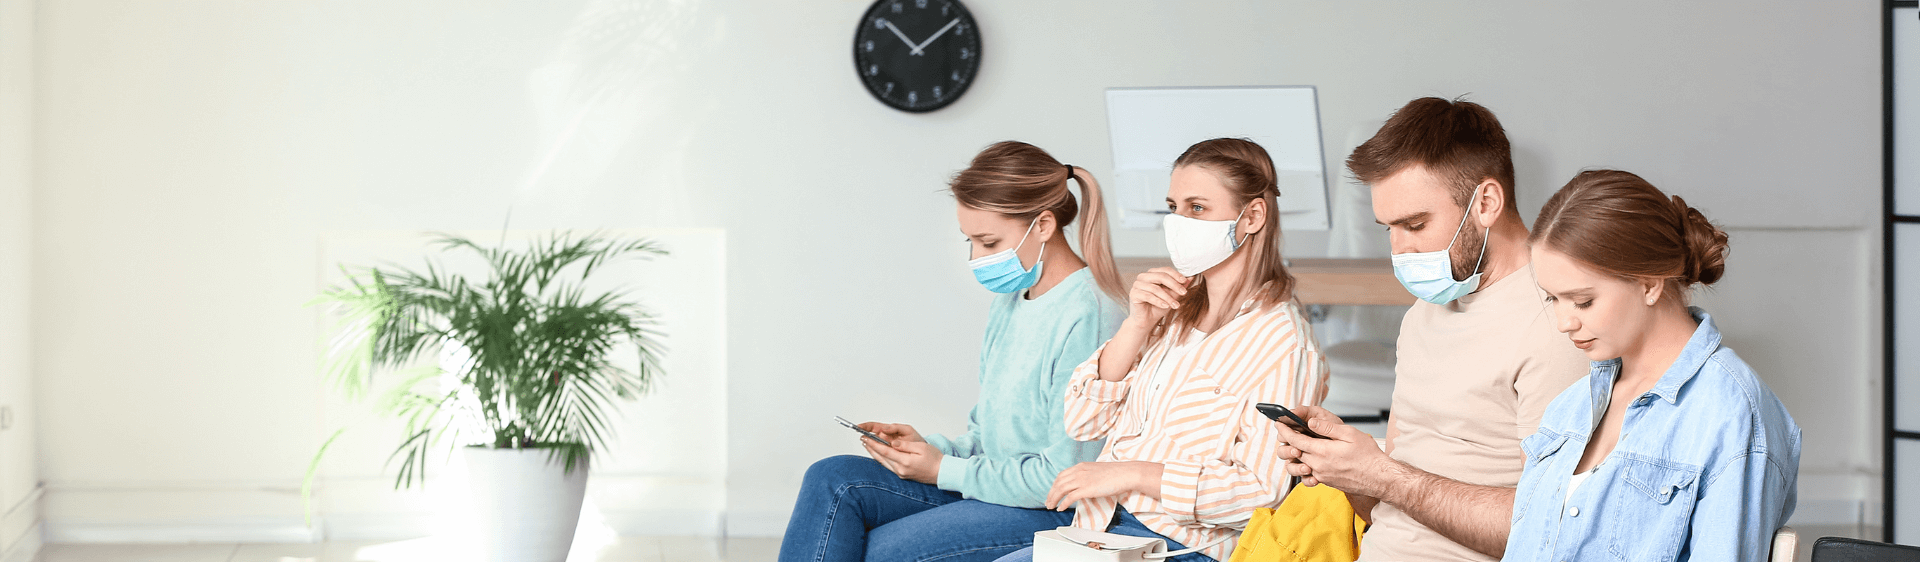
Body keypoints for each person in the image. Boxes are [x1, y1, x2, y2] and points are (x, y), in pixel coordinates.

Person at [777, 141, 1127, 562]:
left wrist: (943, 470)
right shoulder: (1013, 301)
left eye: (989, 242)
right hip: (995, 492)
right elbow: (989, 437)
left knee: (875, 551)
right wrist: (929, 451)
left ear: (1044, 225)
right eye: (971, 242)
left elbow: (1065, 478)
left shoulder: (1092, 314)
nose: (976, 258)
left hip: (1051, 512)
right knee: (832, 476)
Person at [1273, 97, 1590, 561]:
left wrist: (1382, 475)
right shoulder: (1424, 313)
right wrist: (1346, 468)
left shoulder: (1559, 323)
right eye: (1388, 229)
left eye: (1415, 224)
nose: (1399, 251)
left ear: (1486, 202)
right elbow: (1389, 511)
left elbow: (1547, 531)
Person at [992, 137, 1331, 562]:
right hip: (1101, 525)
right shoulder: (1173, 312)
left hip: (1183, 547)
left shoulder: (1285, 344)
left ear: (1253, 216)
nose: (1179, 222)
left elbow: (1261, 494)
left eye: (1198, 207)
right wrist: (1136, 326)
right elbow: (1082, 421)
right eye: (1174, 207)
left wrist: (1130, 473)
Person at [1501, 170, 1799, 561]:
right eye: (1553, 299)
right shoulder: (1570, 407)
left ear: (1649, 284)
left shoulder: (1730, 412)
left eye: (1583, 301)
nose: (1563, 322)